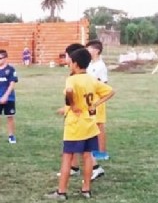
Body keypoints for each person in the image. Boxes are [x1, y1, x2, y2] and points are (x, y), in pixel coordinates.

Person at [45, 48, 115, 200]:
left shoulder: (72, 79)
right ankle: (86, 189)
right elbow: (110, 91)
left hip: (75, 125)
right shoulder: (91, 78)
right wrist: (95, 104)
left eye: (69, 60)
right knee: (88, 157)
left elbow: (69, 91)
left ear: (75, 64)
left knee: (67, 157)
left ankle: (61, 191)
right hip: (90, 124)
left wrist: (72, 104)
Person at [56, 43, 106, 180]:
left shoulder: (80, 76)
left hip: (84, 115)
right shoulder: (75, 73)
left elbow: (77, 95)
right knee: (80, 143)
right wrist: (66, 107)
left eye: (67, 56)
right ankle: (74, 167)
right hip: (80, 114)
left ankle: (95, 168)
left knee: (83, 144)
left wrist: (72, 106)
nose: (65, 59)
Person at [86, 39, 110, 161]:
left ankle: (102, 152)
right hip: (89, 100)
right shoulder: (90, 64)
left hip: (97, 101)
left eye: (89, 48)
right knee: (92, 125)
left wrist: (98, 102)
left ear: (96, 51)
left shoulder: (101, 66)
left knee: (99, 126)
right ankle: (94, 149)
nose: (87, 50)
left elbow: (104, 85)